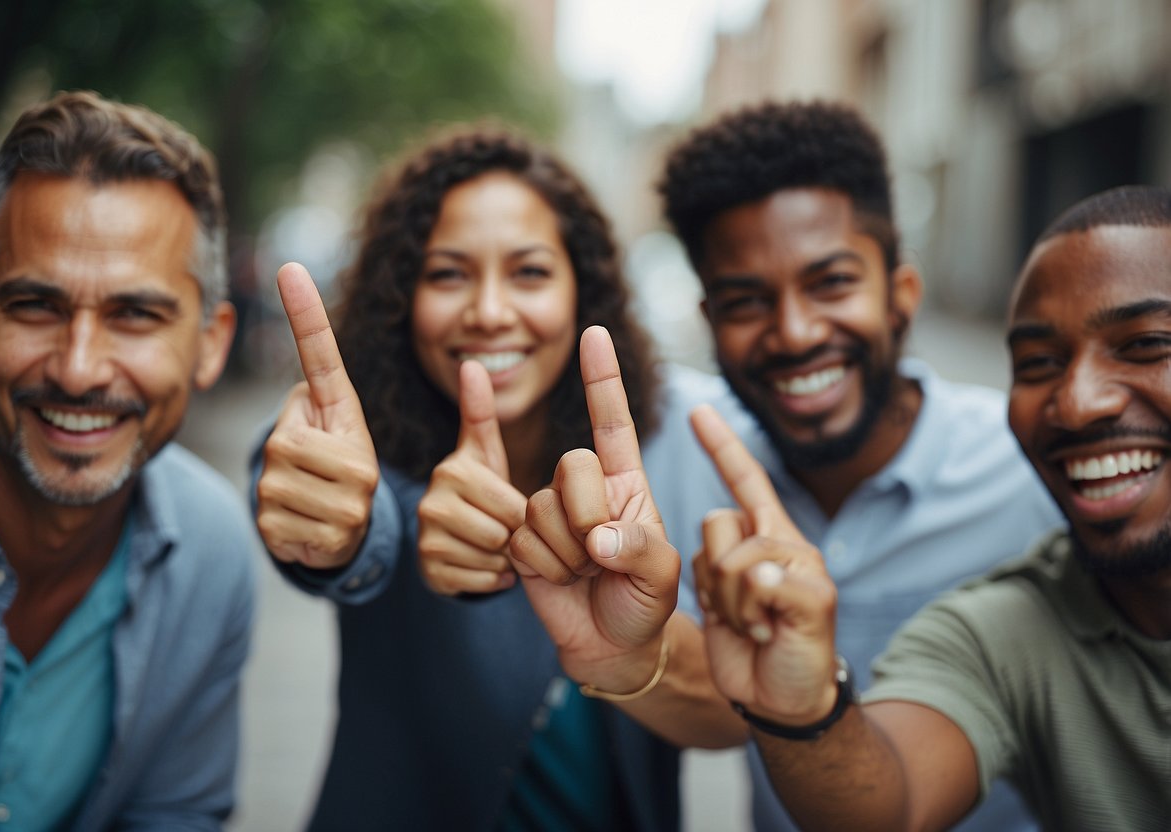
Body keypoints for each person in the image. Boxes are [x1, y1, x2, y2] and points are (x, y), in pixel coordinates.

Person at [512, 99, 1063, 830]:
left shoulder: (1028, 466)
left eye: (830, 283)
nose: (795, 332)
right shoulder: (661, 448)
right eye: (746, 302)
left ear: (900, 295)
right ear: (708, 321)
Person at [251, 127, 743, 830]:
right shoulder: (362, 455)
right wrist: (343, 534)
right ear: (400, 295)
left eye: (529, 272)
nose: (487, 311)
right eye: (447, 273)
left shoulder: (663, 445)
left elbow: (736, 715)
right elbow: (329, 507)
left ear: (584, 290)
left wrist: (637, 652)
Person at [692, 183, 1171, 831]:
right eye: (1037, 362)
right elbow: (886, 802)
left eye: (1146, 345)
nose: (1077, 400)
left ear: (901, 296)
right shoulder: (1005, 628)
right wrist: (803, 711)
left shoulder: (998, 475)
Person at [0, 90, 255, 830]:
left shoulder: (212, 554)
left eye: (134, 315)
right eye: (35, 306)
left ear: (212, 342)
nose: (80, 368)